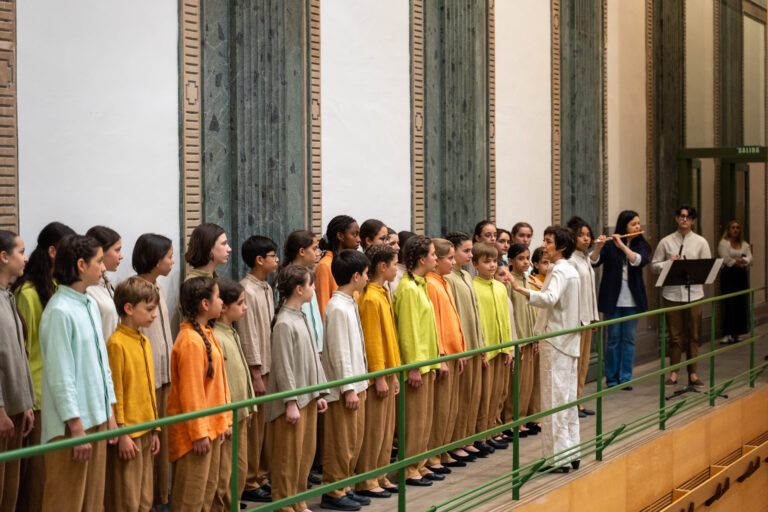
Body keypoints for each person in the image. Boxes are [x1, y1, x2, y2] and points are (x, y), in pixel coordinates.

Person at [39, 234, 119, 509]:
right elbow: (61, 376)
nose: (104, 267)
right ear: (81, 265)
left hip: (95, 417)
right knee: (66, 501)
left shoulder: (88, 304)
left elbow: (101, 364)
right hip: (71, 426)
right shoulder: (59, 310)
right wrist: (75, 428)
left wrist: (109, 414)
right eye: (99, 261)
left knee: (93, 501)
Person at [13, 221, 75, 512]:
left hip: (54, 393)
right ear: (52, 251)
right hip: (35, 396)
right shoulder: (26, 293)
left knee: (52, 474)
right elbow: (22, 351)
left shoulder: (57, 288)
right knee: (35, 476)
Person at [509, 226, 581, 473]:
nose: (544, 245)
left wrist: (520, 289)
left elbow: (550, 299)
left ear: (560, 247)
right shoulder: (570, 269)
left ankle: (557, 458)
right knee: (567, 397)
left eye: (548, 241)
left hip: (556, 339)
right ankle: (572, 451)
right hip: (568, 338)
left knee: (553, 399)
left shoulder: (560, 270)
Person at [265, 265, 328, 512]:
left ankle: (298, 502)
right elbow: (283, 366)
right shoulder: (284, 323)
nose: (314, 289)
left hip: (308, 398)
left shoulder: (300, 316)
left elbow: (312, 358)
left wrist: (319, 392)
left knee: (304, 456)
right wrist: (290, 401)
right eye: (311, 285)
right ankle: (283, 505)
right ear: (299, 289)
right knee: (287, 459)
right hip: (292, 405)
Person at [168, 277, 231, 511]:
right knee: (191, 497)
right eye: (218, 297)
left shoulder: (203, 333)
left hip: (212, 428)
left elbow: (217, 385)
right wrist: (198, 432)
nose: (222, 301)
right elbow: (192, 392)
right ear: (205, 304)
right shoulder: (190, 341)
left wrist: (224, 421)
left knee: (207, 492)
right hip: (196, 435)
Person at [105, 277, 161, 512]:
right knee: (127, 497)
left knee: (145, 497)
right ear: (128, 308)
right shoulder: (116, 344)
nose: (154, 315)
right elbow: (115, 391)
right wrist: (123, 431)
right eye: (149, 309)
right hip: (129, 432)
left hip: (147, 428)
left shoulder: (144, 341)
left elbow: (148, 389)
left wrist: (156, 428)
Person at [320, 250, 370, 511]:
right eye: (365, 273)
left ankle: (346, 485)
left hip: (357, 383)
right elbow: (340, 353)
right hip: (344, 389)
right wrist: (349, 388)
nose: (367, 278)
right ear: (355, 276)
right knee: (341, 441)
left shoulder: (349, 301)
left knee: (353, 441)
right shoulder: (337, 307)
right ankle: (334, 490)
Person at [393, 235, 441, 486]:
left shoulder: (420, 284)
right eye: (433, 254)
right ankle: (409, 468)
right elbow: (409, 332)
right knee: (414, 420)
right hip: (417, 367)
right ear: (422, 259)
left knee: (424, 419)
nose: (436, 258)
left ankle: (420, 464)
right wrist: (414, 367)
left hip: (427, 363)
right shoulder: (409, 288)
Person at [133, 233, 176, 508]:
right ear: (154, 259)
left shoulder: (158, 288)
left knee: (163, 441)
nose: (172, 262)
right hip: (146, 377)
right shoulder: (133, 289)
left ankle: (162, 496)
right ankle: (147, 500)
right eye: (169, 257)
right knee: (150, 443)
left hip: (164, 375)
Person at [355, 244, 400, 498]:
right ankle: (368, 479)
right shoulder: (370, 298)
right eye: (394, 264)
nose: (396, 268)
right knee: (374, 430)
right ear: (382, 267)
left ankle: (380, 474)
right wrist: (380, 376)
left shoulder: (381, 293)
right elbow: (372, 343)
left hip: (389, 371)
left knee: (385, 429)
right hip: (378, 376)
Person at [237, 235, 278, 503]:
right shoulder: (247, 290)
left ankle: (260, 474)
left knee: (264, 428)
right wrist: (255, 372)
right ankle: (250, 480)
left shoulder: (264, 287)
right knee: (252, 431)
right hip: (257, 368)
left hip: (269, 364)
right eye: (273, 255)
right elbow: (248, 334)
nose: (277, 260)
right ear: (259, 260)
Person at [651, 205, 711, 387]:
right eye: (681, 216)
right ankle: (674, 373)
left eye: (688, 217)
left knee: (693, 335)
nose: (684, 219)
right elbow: (654, 266)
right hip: (672, 294)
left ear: (693, 220)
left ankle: (693, 373)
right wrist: (668, 263)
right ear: (676, 218)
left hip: (694, 294)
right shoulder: (666, 242)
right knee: (675, 336)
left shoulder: (701, 242)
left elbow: (707, 268)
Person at [590, 210, 650, 388]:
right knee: (613, 339)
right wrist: (599, 247)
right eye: (634, 224)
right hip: (612, 300)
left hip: (633, 300)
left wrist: (622, 245)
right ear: (624, 226)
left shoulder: (641, 245)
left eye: (638, 223)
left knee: (629, 339)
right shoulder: (609, 246)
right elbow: (593, 262)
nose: (637, 227)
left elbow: (638, 260)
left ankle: (625, 378)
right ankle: (612, 379)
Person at [212, 279, 256, 511]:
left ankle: (235, 503)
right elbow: (222, 380)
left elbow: (241, 374)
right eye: (240, 303)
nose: (245, 307)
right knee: (227, 469)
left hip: (240, 411)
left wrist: (248, 406)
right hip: (229, 415)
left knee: (240, 466)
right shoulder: (217, 336)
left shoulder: (231, 332)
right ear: (224, 307)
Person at [425, 238, 466, 474]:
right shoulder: (431, 284)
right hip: (443, 354)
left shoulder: (444, 282)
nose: (453, 262)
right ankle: (433, 454)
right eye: (449, 258)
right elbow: (437, 324)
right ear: (436, 260)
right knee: (440, 409)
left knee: (450, 407)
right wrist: (441, 354)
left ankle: (443, 449)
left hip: (453, 351)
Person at [0, 231, 35, 510]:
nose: (26, 258)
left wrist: (26, 403)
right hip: (2, 411)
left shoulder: (8, 296)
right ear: (4, 257)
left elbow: (18, 354)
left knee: (11, 489)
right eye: (21, 252)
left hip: (15, 407)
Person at [443, 231, 485, 461]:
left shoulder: (466, 277)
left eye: (471, 250)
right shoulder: (448, 279)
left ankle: (468, 437)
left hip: (474, 345)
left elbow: (475, 314)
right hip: (461, 346)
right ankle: (455, 441)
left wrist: (481, 344)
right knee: (459, 397)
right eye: (466, 251)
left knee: (472, 396)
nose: (470, 255)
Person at [472, 243, 513, 451]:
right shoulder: (474, 287)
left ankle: (492, 429)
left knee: (498, 393)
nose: (491, 266)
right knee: (485, 395)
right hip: (487, 349)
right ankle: (481, 434)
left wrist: (508, 347)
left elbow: (505, 319)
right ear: (475, 264)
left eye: (494, 261)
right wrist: (482, 350)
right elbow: (476, 322)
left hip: (501, 347)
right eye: (486, 262)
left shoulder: (500, 286)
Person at [504, 243, 539, 437]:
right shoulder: (509, 282)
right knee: (515, 384)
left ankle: (523, 419)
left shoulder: (527, 280)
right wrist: (513, 340)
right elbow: (509, 313)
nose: (526, 262)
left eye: (527, 258)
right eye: (521, 258)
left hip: (530, 338)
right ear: (510, 260)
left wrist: (535, 338)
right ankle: (511, 421)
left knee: (526, 385)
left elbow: (532, 311)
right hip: (518, 339)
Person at [565, 217, 599, 418]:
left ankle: (577, 400)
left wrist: (593, 317)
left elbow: (590, 291)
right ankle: (570, 403)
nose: (586, 239)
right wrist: (579, 316)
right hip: (577, 319)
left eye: (588, 235)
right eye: (581, 235)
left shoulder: (585, 257)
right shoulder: (570, 259)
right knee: (575, 363)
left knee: (584, 362)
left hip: (587, 317)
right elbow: (573, 293)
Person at [282, 230, 324, 352]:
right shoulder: (289, 277)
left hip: (315, 347)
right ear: (302, 251)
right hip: (301, 347)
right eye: (314, 248)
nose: (317, 253)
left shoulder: (308, 274)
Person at [316, 216, 360, 316]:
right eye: (354, 235)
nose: (359, 240)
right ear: (340, 236)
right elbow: (323, 308)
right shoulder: (325, 265)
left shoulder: (348, 264)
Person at [86, 225, 124, 341]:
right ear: (100, 252)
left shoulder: (106, 283)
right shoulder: (87, 290)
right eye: (117, 250)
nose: (121, 256)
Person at [718, 220, 752, 344]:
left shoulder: (744, 244)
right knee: (729, 303)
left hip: (741, 276)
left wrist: (742, 260)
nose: (735, 230)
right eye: (733, 227)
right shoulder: (724, 243)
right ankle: (727, 333)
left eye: (737, 227)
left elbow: (749, 258)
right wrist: (736, 261)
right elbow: (725, 258)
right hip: (729, 275)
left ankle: (737, 333)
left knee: (740, 303)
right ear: (728, 229)